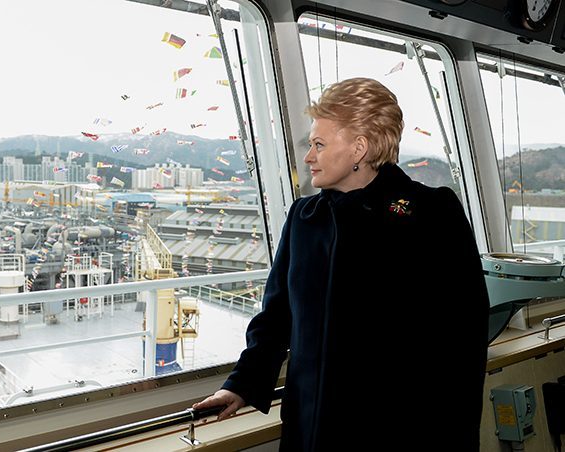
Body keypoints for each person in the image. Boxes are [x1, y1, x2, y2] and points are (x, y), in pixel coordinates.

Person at [193, 77, 489, 451]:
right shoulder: (304, 217)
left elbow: (463, 339)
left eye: (319, 144)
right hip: (311, 428)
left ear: (358, 149)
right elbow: (276, 316)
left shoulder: (431, 213)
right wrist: (240, 385)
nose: (308, 156)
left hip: (401, 430)